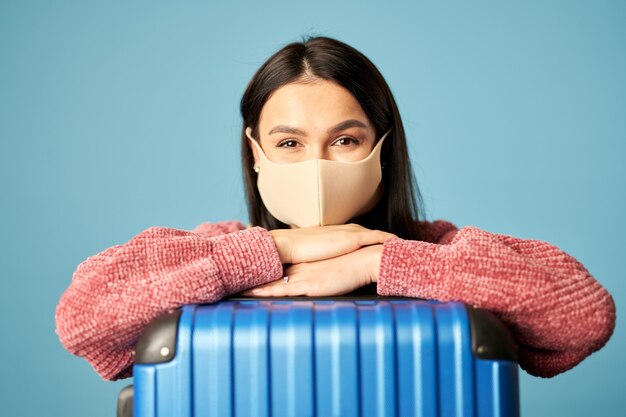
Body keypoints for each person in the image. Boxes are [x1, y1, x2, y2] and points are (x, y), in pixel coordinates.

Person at [55, 36, 615, 382]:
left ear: (381, 147)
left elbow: (585, 317)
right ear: (256, 154)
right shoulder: (211, 254)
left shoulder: (438, 250)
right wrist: (278, 248)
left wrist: (382, 262)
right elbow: (82, 318)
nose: (316, 167)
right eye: (290, 144)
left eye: (345, 140)